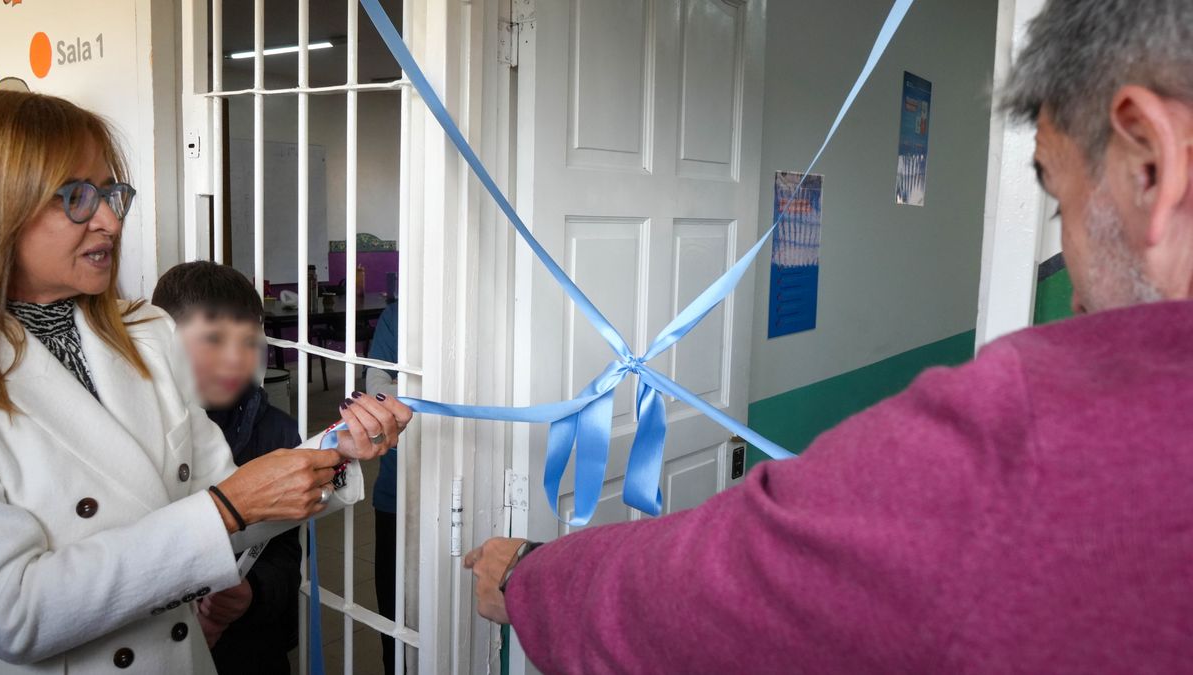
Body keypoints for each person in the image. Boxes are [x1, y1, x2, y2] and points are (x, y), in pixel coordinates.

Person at [465, 1, 1193, 672]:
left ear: (1149, 165)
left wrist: (530, 575)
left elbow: (709, 595)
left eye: (1059, 197)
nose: (1067, 257)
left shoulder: (1020, 438)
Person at [0, 90, 412, 673]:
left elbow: (226, 498)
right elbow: (13, 614)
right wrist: (225, 509)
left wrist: (332, 451)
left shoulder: (144, 331)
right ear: (4, 207)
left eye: (114, 194)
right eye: (77, 196)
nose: (111, 219)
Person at [152, 261, 303, 675]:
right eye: (214, 339)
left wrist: (251, 593)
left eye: (249, 340)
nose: (236, 358)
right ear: (163, 338)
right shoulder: (137, 425)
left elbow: (286, 554)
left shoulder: (277, 431)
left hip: (250, 649)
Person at [364, 299, 400, 675]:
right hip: (396, 492)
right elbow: (376, 384)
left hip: (461, 489)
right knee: (393, 616)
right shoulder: (396, 315)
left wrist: (400, 388)